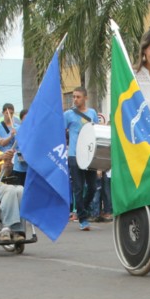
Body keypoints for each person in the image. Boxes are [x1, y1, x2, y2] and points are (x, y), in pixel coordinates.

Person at [64, 86, 99, 230]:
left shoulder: (92, 113)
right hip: (73, 155)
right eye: (73, 96)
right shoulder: (68, 114)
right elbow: (61, 131)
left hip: (89, 155)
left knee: (92, 187)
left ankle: (81, 210)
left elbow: (96, 131)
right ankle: (83, 219)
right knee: (78, 188)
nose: (75, 99)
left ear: (85, 98)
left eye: (78, 96)